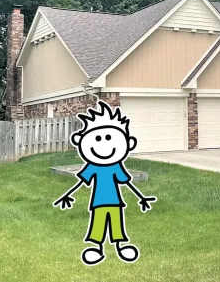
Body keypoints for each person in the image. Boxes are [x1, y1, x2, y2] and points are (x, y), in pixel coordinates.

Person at [53, 101, 157, 265]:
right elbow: (81, 182)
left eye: (109, 138)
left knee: (117, 225)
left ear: (128, 143)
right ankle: (98, 249)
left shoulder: (116, 166)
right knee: (98, 225)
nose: (103, 144)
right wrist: (67, 195)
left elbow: (127, 182)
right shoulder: (93, 166)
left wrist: (141, 197)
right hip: (98, 202)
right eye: (98, 139)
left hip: (115, 202)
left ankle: (120, 247)